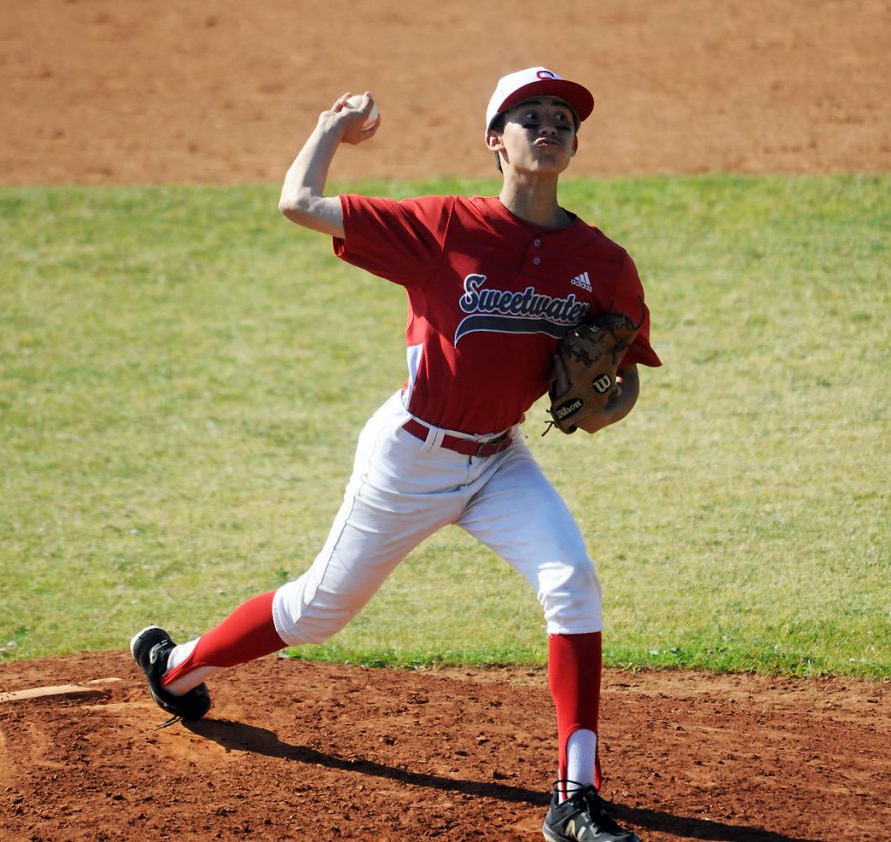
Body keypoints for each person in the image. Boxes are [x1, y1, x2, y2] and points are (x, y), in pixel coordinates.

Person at [131, 66, 661, 842]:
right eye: (529, 116)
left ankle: (576, 797)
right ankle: (177, 669)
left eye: (562, 119)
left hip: (498, 462)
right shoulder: (446, 226)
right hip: (410, 458)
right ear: (496, 142)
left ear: (575, 145)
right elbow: (297, 204)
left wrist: (607, 408)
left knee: (572, 581)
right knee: (318, 612)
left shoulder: (601, 260)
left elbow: (623, 382)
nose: (549, 126)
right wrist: (330, 130)